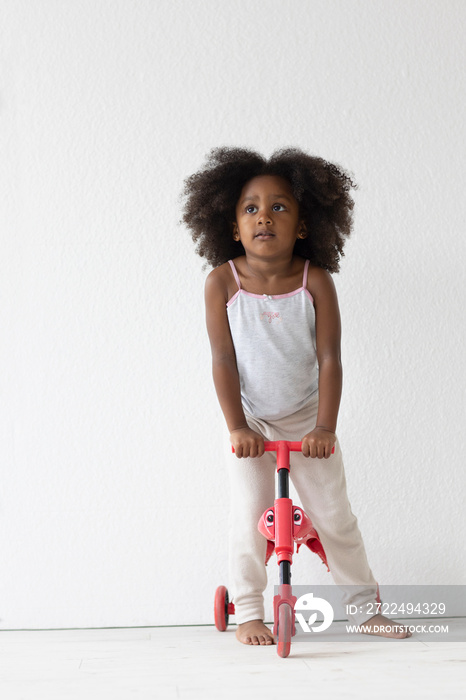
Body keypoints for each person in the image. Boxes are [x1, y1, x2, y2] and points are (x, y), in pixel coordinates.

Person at [181, 146, 411, 645]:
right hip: (252, 424)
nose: (265, 216)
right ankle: (247, 611)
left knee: (334, 514)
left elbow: (330, 359)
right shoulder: (221, 282)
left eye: (280, 206)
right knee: (249, 513)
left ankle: (365, 609)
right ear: (233, 225)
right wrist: (236, 427)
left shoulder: (317, 282)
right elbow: (222, 360)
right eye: (251, 208)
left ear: (304, 225)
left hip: (308, 417)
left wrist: (324, 427)